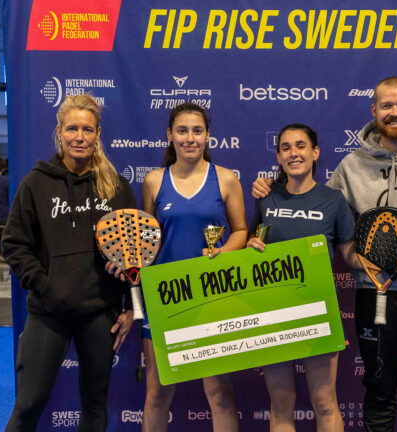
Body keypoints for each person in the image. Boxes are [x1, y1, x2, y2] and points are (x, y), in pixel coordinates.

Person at [254, 77, 397, 432]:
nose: (395, 112)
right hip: (373, 295)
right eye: (386, 106)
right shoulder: (349, 167)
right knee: (377, 392)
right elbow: (317, 214)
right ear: (374, 110)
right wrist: (269, 185)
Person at [2, 94, 137, 431]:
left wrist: (130, 304)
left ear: (98, 134)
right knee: (28, 405)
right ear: (59, 132)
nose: (80, 136)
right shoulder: (36, 183)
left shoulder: (116, 187)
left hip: (100, 312)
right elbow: (15, 244)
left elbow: (133, 252)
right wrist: (45, 284)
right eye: (72, 128)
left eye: (87, 129)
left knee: (94, 404)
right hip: (49, 312)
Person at [249, 123, 390, 432]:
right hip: (272, 309)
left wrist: (379, 262)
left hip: (318, 308)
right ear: (278, 157)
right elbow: (253, 243)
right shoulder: (266, 197)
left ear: (315, 153)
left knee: (325, 402)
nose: (293, 153)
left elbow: (349, 253)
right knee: (281, 402)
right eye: (285, 148)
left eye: (301, 146)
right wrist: (251, 247)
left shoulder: (333, 200)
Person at [134, 102, 247, 432]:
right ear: (169, 135)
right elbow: (148, 241)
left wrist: (223, 251)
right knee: (157, 394)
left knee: (220, 394)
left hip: (212, 297)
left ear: (207, 135)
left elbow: (241, 230)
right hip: (164, 299)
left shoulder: (225, 179)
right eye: (182, 131)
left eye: (197, 131)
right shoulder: (154, 181)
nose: (190, 138)